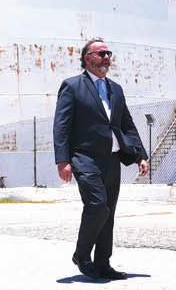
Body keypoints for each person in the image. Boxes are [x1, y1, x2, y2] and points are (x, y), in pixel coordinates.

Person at [53, 38, 149, 280]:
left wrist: (140, 155)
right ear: (88, 58)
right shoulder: (72, 86)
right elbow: (61, 126)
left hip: (112, 160)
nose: (106, 57)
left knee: (109, 212)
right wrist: (62, 160)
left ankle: (103, 263)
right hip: (84, 158)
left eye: (109, 53)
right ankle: (82, 255)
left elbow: (126, 124)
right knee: (97, 205)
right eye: (101, 53)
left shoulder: (116, 89)